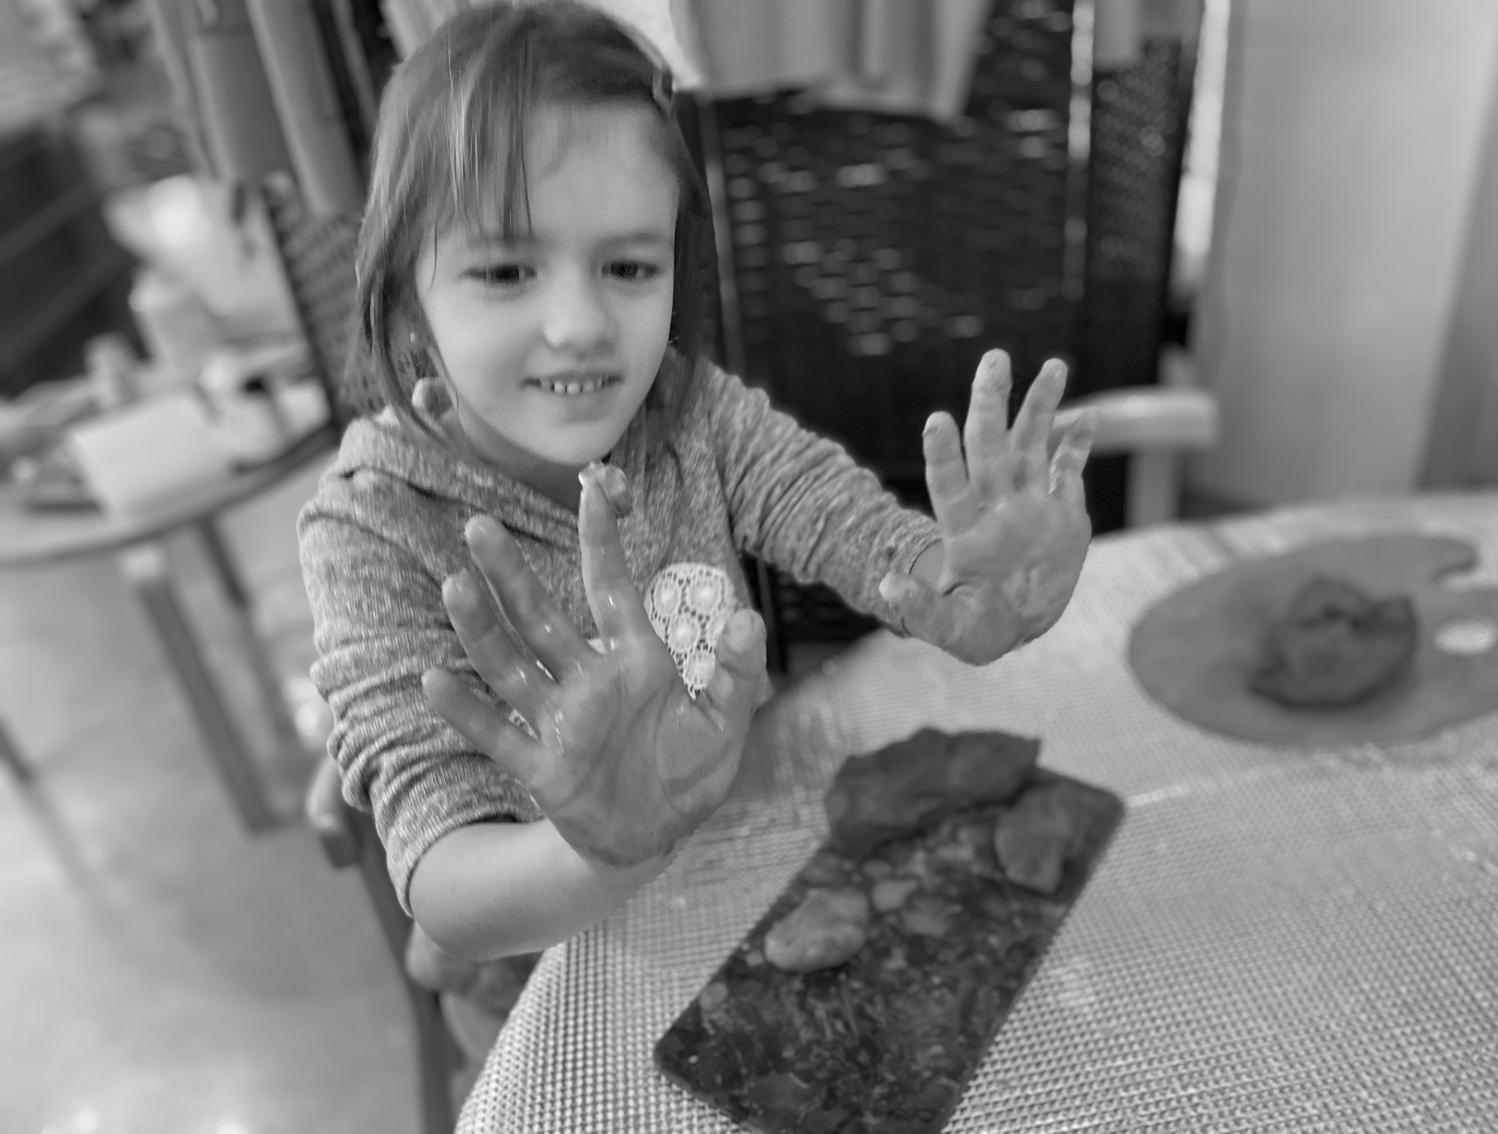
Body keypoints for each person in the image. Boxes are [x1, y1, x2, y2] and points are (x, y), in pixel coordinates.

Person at [297, 0, 1096, 1054]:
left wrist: (950, 586)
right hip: (541, 997)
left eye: (628, 266)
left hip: (733, 894)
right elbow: (443, 880)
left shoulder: (691, 414)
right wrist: (602, 850)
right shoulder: (371, 525)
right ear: (408, 299)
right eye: (505, 271)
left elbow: (834, 516)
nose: (581, 324)